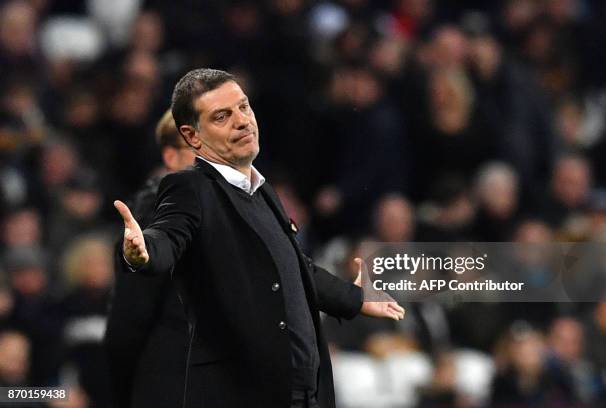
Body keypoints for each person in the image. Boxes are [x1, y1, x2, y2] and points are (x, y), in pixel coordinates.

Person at [114, 68, 405, 408]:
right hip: (240, 394)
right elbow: (167, 237)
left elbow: (296, 268)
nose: (242, 121)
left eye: (244, 107)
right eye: (222, 116)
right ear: (193, 137)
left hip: (301, 392)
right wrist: (143, 251)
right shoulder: (189, 187)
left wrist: (354, 299)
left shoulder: (263, 191)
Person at [105, 109, 196, 408]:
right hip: (172, 384)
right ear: (171, 156)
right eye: (197, 149)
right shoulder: (151, 217)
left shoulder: (234, 210)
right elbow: (130, 317)